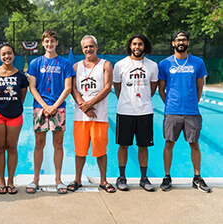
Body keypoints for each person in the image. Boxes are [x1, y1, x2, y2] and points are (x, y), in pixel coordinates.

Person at [158, 31, 211, 193]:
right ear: (173, 43)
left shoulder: (198, 62)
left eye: (184, 40)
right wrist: (170, 105)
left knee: (194, 144)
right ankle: (167, 177)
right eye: (178, 40)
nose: (181, 42)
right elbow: (161, 89)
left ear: (188, 42)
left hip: (192, 112)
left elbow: (199, 87)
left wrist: (193, 103)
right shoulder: (165, 64)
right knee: (169, 144)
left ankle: (197, 177)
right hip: (172, 112)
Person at [26, 30, 75, 194]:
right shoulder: (35, 63)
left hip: (58, 108)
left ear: (56, 43)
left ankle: (58, 180)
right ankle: (35, 179)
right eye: (47, 41)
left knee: (58, 145)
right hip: (40, 108)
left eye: (52, 41)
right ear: (43, 43)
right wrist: (45, 106)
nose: (49, 44)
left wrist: (54, 106)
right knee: (39, 144)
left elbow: (68, 88)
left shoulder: (65, 64)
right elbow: (32, 87)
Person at [68, 35, 115, 193]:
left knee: (101, 151)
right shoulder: (76, 67)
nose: (88, 49)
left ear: (96, 47)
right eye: (85, 47)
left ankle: (103, 180)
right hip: (80, 117)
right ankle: (77, 180)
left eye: (91, 46)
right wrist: (84, 105)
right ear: (82, 49)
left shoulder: (105, 65)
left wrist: (90, 104)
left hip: (99, 117)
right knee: (79, 151)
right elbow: (73, 89)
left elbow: (108, 87)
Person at [113, 34, 158, 191]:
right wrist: (126, 100)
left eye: (140, 44)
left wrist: (142, 100)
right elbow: (117, 87)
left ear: (144, 46)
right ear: (130, 46)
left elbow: (153, 88)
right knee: (123, 145)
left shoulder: (152, 65)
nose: (137, 47)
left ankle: (144, 178)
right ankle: (122, 177)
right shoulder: (120, 65)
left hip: (145, 111)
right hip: (125, 111)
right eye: (134, 44)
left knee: (143, 146)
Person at [0, 44, 28, 194]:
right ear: (0, 56)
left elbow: (22, 96)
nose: (6, 56)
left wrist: (12, 107)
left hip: (15, 115)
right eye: (3, 54)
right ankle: (1, 180)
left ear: (14, 55)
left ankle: (11, 181)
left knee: (12, 147)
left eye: (9, 53)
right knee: (0, 148)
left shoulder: (20, 76)